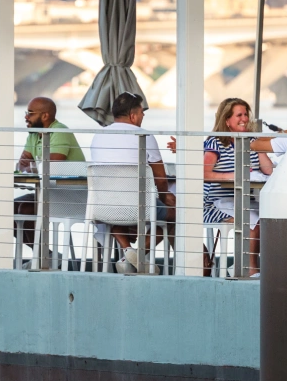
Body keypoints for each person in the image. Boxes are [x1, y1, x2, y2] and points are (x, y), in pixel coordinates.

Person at [89, 92, 176, 273]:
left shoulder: (98, 136)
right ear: (133, 116)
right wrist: (163, 197)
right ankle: (138, 252)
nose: (143, 116)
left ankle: (126, 251)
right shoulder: (144, 136)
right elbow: (160, 178)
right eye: (142, 112)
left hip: (104, 206)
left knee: (115, 213)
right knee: (176, 214)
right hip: (138, 205)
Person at [202, 97, 273, 276]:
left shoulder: (251, 140)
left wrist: (259, 145)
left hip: (243, 200)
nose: (244, 119)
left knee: (271, 216)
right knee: (252, 218)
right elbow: (204, 173)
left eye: (245, 114)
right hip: (214, 203)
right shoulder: (216, 142)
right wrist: (233, 175)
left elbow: (268, 170)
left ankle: (242, 265)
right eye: (239, 115)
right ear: (227, 120)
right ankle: (249, 269)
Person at [13, 97, 85, 251]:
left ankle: (43, 256)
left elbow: (51, 166)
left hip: (72, 196)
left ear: (45, 116)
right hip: (48, 193)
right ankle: (44, 256)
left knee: (25, 209)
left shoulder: (59, 131)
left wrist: (33, 166)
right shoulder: (34, 134)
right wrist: (35, 167)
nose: (26, 116)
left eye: (30, 113)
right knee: (8, 209)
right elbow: (21, 165)